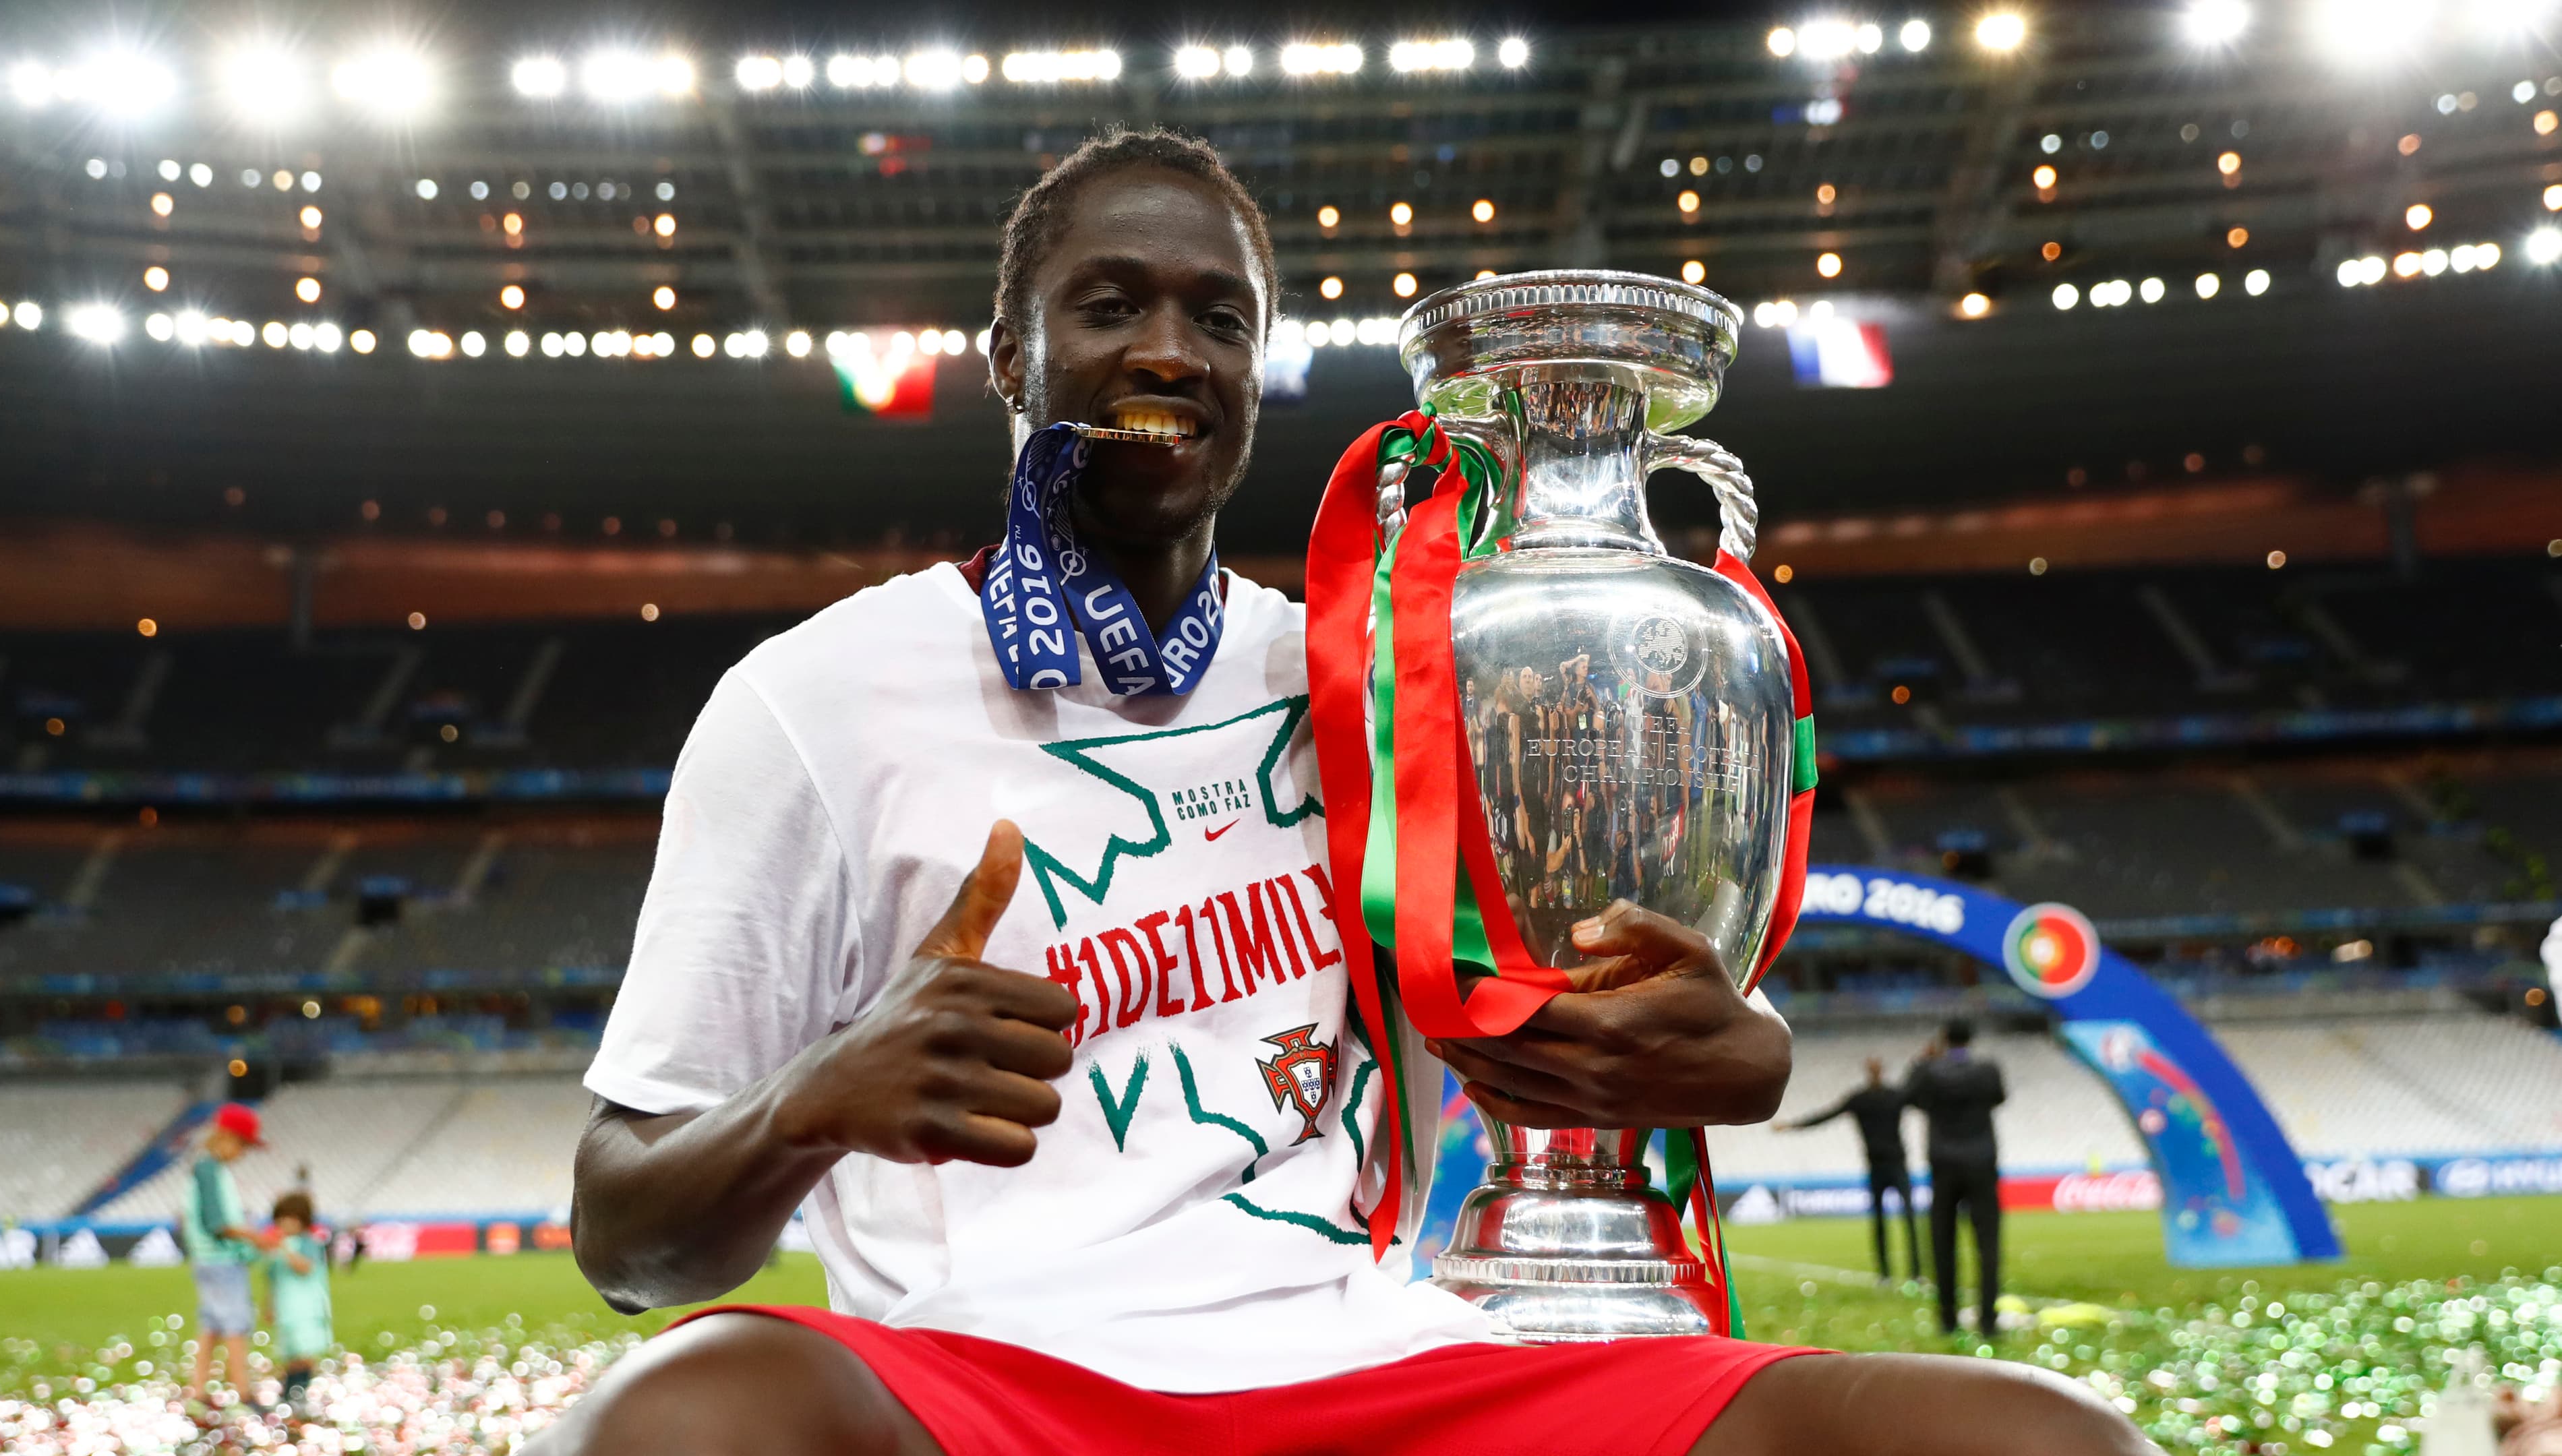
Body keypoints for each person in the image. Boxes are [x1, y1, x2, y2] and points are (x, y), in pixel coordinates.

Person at [537, 128, 2151, 1456]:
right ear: (1006, 356)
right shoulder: (813, 699)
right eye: (1107, 305)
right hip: (989, 1390)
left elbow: (1549, 1008)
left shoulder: (1381, 679)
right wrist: (816, 1093)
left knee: (2039, 1438)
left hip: (1379, 1373)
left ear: (1257, 370)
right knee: (669, 1421)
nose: (1166, 348)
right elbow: (629, 1239)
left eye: (1217, 317)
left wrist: (1730, 1049)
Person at [1904, 1019, 2009, 1338]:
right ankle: (1988, 1320)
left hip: (1944, 1163)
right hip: (1981, 1161)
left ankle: (1948, 1319)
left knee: (1942, 1242)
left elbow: (1908, 1096)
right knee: (1988, 1245)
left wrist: (1923, 1062)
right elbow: (1999, 1098)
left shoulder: (1930, 1071)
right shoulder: (1987, 1069)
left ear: (1944, 1039)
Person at [1775, 1054, 1921, 1282]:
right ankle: (1885, 1275)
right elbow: (1827, 1115)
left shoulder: (1894, 1096)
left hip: (1898, 1164)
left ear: (1881, 1070)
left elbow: (1918, 1091)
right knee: (1880, 1222)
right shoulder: (1861, 1099)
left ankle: (1915, 1272)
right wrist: (1794, 1125)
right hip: (1877, 1167)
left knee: (1909, 1219)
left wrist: (1919, 1064)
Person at [181, 1103, 267, 1409]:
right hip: (219, 1259)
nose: (242, 1153)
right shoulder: (209, 1168)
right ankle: (243, 1394)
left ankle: (198, 1393)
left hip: (207, 1258)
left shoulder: (208, 1167)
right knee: (235, 1324)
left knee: (212, 1325)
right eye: (242, 1145)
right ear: (227, 1138)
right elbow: (217, 1223)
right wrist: (255, 1237)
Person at [259, 1191, 334, 1405]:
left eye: (288, 1218)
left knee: (305, 1351)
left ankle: (300, 1391)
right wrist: (269, 1306)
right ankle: (289, 1391)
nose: (283, 1224)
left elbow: (305, 1267)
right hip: (286, 1308)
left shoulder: (309, 1243)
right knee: (290, 1352)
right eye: (280, 1219)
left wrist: (285, 1249)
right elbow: (271, 1280)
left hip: (307, 1308)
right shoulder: (276, 1250)